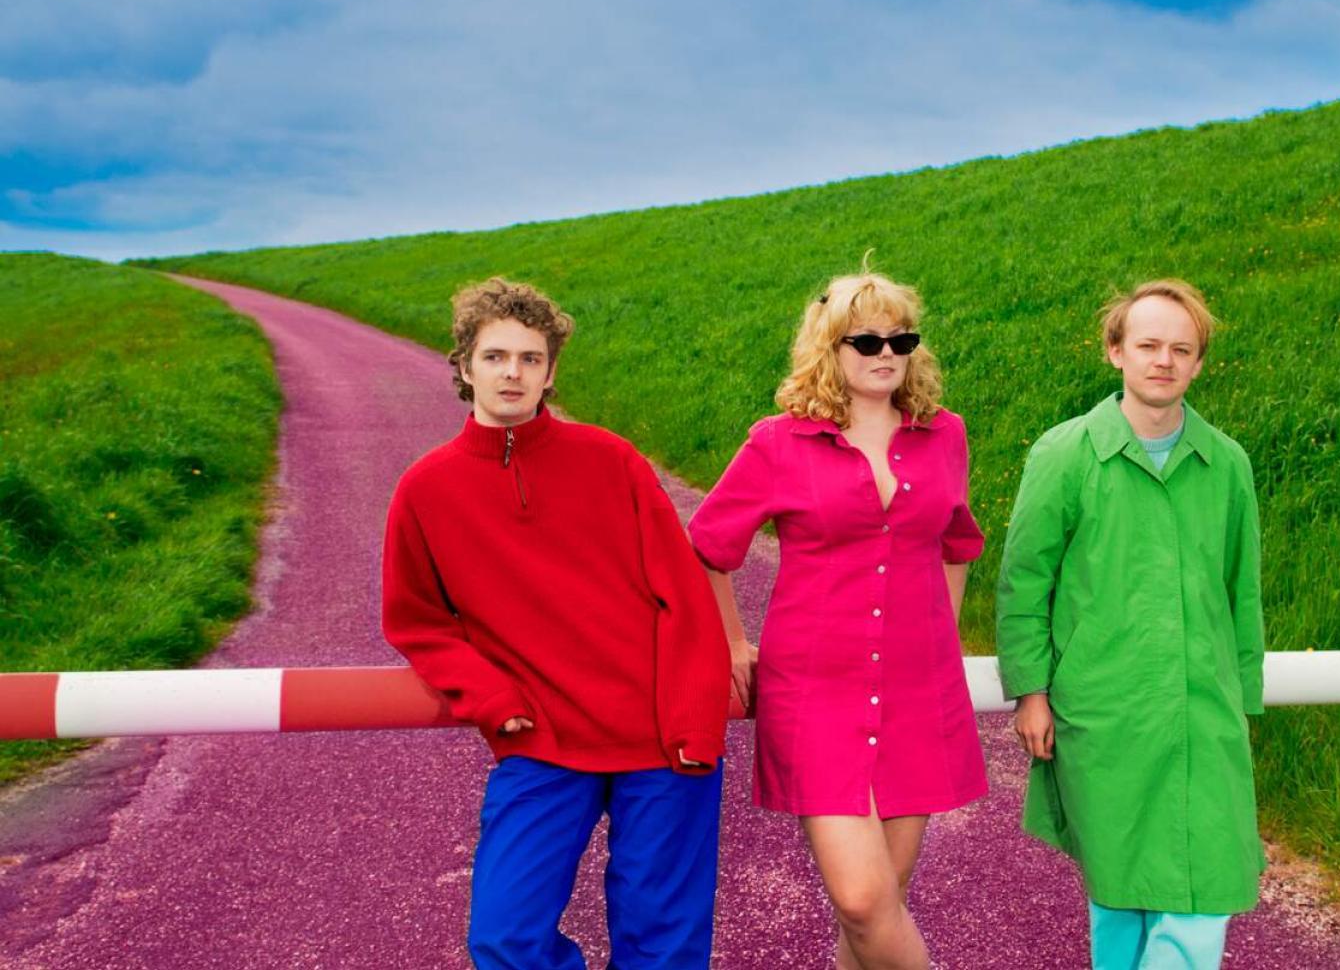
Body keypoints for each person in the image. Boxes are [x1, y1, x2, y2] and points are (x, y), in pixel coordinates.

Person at [381, 277, 730, 970]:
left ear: (550, 372)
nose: (512, 372)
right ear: (464, 366)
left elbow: (685, 594)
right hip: (540, 737)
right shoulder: (425, 489)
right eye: (495, 356)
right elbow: (416, 621)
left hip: (663, 739)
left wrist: (697, 719)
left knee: (662, 948)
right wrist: (490, 697)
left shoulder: (611, 460)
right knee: (506, 938)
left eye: (530, 358)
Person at [688, 269, 987, 970]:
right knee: (860, 900)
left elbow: (959, 544)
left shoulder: (945, 435)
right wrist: (731, 643)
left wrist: (940, 640)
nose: (887, 354)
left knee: (884, 904)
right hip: (814, 691)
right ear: (830, 346)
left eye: (901, 340)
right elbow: (706, 547)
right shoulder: (778, 442)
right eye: (867, 341)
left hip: (919, 692)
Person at [995, 279, 1265, 970]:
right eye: (1148, 345)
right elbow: (1025, 583)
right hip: (1103, 714)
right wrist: (1030, 692)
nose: (1163, 361)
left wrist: (1242, 704)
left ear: (1199, 363)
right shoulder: (1063, 454)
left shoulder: (1227, 463)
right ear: (1115, 351)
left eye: (1182, 349)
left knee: (1207, 887)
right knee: (1118, 895)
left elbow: (1242, 593)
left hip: (1205, 716)